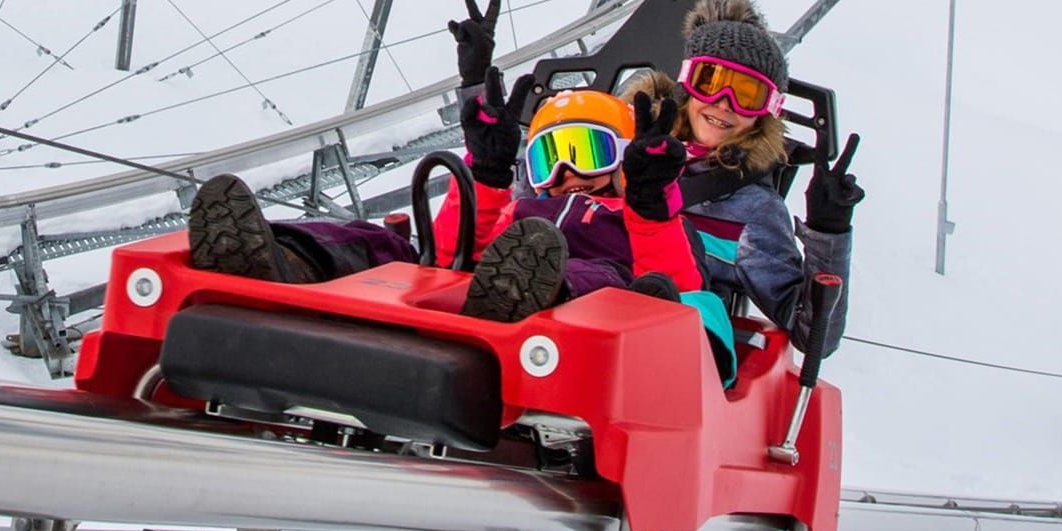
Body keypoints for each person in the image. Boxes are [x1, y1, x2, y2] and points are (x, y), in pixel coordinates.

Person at [185, 78, 696, 323]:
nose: (567, 174)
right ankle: (282, 258)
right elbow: (451, 253)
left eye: (586, 152)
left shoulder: (643, 219)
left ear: (626, 158)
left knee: (596, 279)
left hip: (580, 291)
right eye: (550, 158)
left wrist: (649, 201)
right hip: (485, 275)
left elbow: (679, 286)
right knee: (381, 242)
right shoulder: (527, 208)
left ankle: (528, 293)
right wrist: (487, 172)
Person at [622, 0, 860, 372]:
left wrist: (827, 234)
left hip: (663, 351)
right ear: (686, 82)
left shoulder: (751, 210)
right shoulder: (621, 145)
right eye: (710, 80)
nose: (724, 103)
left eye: (746, 94)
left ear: (767, 111)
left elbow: (813, 333)